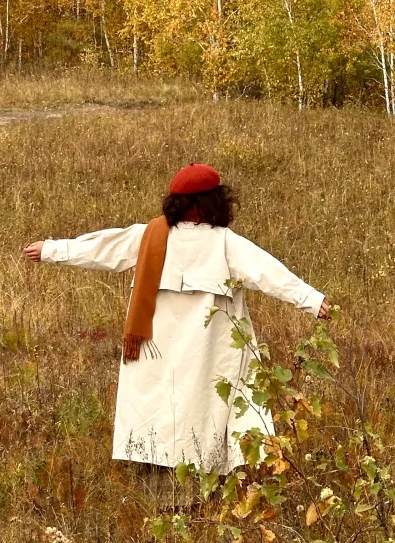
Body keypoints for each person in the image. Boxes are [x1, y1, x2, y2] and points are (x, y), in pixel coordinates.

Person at [24, 162, 331, 474]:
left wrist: (51, 249)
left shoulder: (168, 237)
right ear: (211, 203)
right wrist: (312, 300)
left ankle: (178, 475)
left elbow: (103, 249)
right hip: (188, 348)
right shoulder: (204, 241)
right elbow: (271, 274)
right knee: (194, 404)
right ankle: (191, 475)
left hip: (183, 347)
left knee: (173, 403)